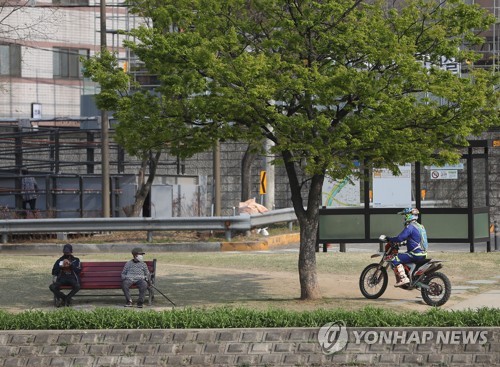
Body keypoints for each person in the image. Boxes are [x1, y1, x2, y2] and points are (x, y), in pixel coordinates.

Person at [387, 208, 428, 287]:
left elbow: (400, 238)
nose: (404, 218)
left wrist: (389, 239)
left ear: (409, 216)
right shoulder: (420, 227)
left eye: (405, 216)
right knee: (404, 255)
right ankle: (412, 277)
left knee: (394, 258)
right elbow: (415, 240)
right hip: (423, 254)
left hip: (415, 254)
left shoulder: (410, 227)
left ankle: (403, 278)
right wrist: (402, 243)